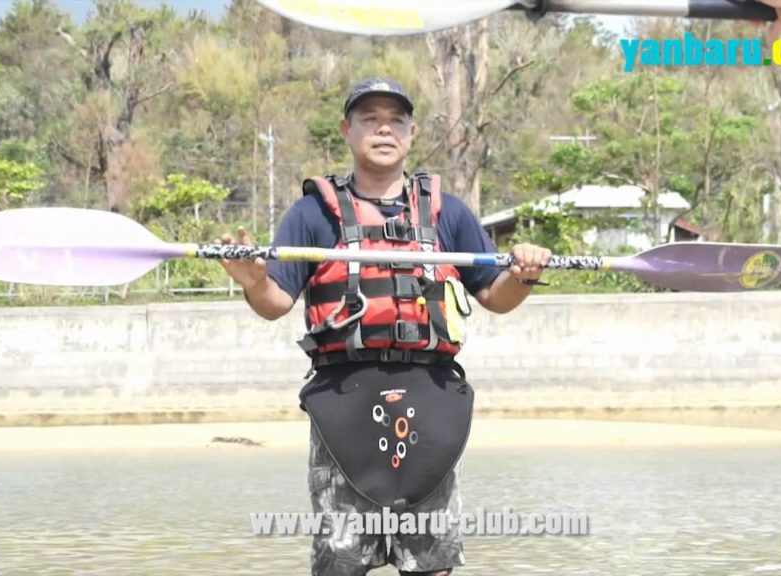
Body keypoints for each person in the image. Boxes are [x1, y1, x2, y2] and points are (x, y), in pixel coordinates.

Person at [218, 77, 552, 576]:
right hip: (344, 403)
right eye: (369, 118)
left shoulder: (448, 213)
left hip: (431, 400)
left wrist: (524, 274)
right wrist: (252, 281)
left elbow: (495, 295)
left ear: (411, 133)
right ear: (346, 130)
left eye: (395, 119)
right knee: (343, 563)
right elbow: (275, 302)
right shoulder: (312, 215)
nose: (383, 128)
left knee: (432, 565)